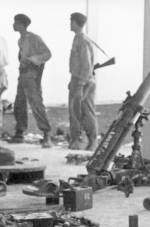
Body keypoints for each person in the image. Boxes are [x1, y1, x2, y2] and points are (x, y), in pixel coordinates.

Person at [12, 13, 52, 147]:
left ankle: (46, 135)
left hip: (31, 75)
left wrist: (32, 61)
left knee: (36, 103)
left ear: (22, 25)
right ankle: (19, 133)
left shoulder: (34, 38)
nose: (13, 25)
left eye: (15, 22)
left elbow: (47, 54)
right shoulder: (21, 40)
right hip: (22, 74)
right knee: (19, 104)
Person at [68, 12, 98, 151]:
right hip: (78, 79)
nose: (70, 23)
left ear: (76, 23)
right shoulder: (77, 38)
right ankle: (79, 141)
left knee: (86, 111)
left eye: (71, 21)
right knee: (75, 112)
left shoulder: (83, 40)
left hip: (84, 81)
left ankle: (92, 141)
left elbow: (86, 65)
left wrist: (80, 84)